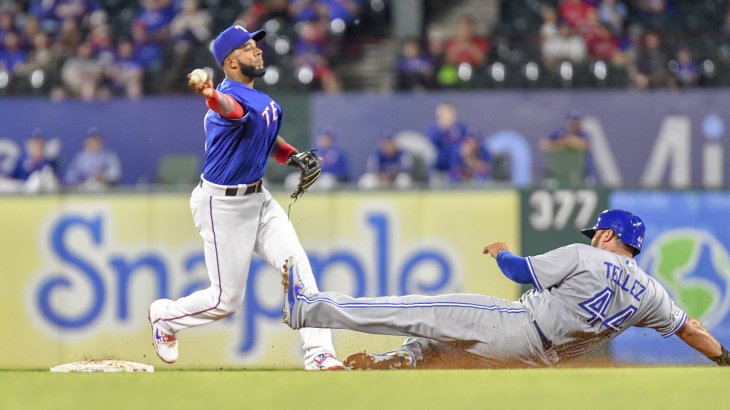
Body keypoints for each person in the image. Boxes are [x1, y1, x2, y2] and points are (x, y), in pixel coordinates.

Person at [282, 209, 730, 369]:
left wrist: (500, 252)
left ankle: (308, 308)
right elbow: (689, 327)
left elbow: (519, 272)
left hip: (516, 324)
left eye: (598, 232)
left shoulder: (587, 256)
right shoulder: (651, 293)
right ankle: (402, 359)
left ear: (610, 236)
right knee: (437, 345)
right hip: (535, 361)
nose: (593, 236)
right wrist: (723, 358)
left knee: (413, 309)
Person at [147, 25, 343, 370]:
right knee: (225, 301)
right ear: (231, 61)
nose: (258, 51)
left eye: (257, 46)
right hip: (222, 205)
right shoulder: (228, 100)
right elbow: (230, 110)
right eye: (248, 47)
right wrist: (209, 93)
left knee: (298, 269)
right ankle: (166, 318)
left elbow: (266, 138)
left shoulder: (260, 100)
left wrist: (293, 156)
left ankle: (319, 353)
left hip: (259, 198)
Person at [540, 109, 591, 186]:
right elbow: (544, 144)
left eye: (576, 121)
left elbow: (585, 146)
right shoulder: (560, 132)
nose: (574, 124)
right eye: (572, 121)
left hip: (577, 170)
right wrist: (562, 144)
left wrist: (571, 142)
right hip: (557, 169)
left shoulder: (583, 134)